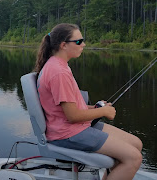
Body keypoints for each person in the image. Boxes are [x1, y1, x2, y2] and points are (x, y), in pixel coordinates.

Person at [33, 23, 142, 180]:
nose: (83, 44)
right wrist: (103, 111)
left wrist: (94, 108)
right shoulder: (58, 72)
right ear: (64, 45)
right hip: (68, 133)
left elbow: (68, 108)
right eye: (79, 41)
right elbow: (72, 116)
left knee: (136, 144)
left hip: (75, 127)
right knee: (134, 158)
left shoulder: (59, 66)